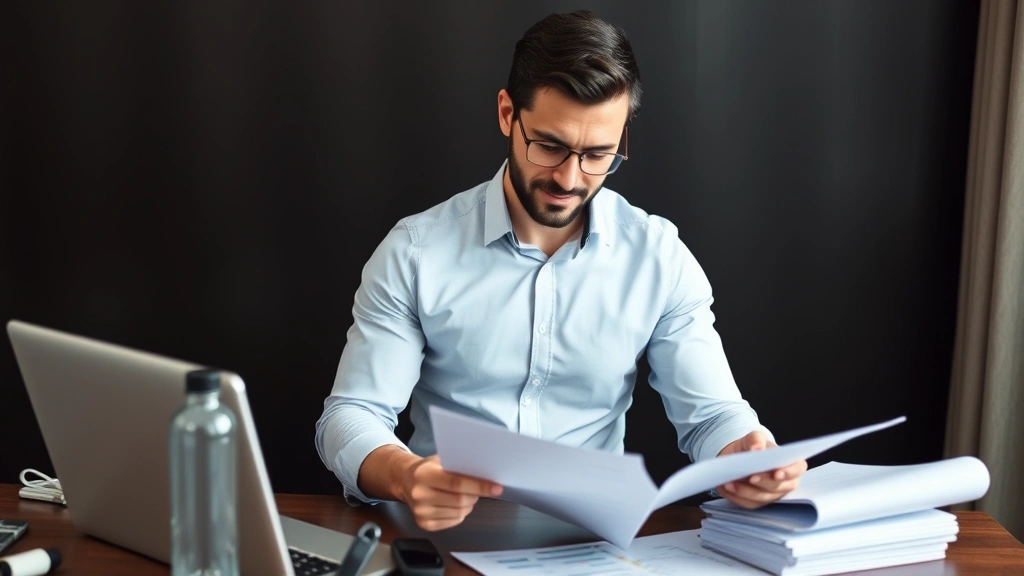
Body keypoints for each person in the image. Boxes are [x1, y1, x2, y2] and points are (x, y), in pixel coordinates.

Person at [316, 10, 807, 532]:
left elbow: (713, 417)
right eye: (549, 145)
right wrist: (408, 476)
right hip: (445, 539)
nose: (570, 178)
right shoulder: (415, 251)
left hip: (595, 544)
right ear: (508, 114)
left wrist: (749, 454)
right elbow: (350, 418)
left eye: (599, 154)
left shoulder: (658, 256)